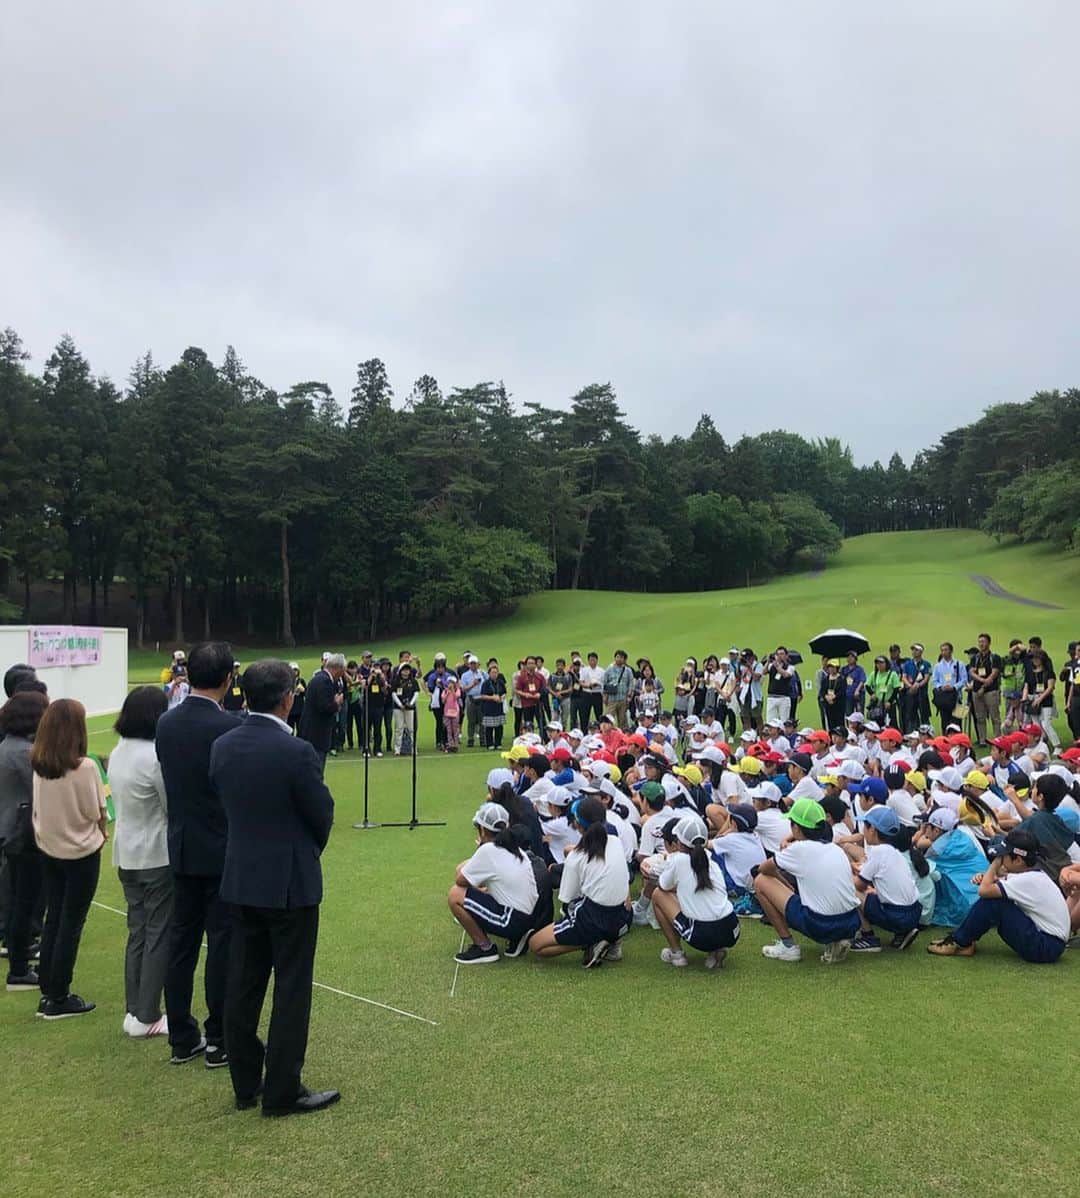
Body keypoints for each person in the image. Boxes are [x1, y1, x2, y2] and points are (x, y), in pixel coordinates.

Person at [209, 659, 338, 1117]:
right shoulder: (297, 752)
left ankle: (247, 1082)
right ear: (288, 698)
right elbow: (320, 814)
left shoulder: (223, 746)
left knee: (243, 982)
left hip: (242, 877)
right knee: (291, 986)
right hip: (288, 882)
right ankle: (282, 1089)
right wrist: (304, 853)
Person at [155, 641, 241, 1067]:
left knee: (182, 940)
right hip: (220, 846)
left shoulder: (167, 724)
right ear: (228, 679)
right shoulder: (227, 728)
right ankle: (218, 1036)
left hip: (183, 843)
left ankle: (182, 1036)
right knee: (220, 942)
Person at [31, 698, 107, 1019]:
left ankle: (48, 985)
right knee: (70, 922)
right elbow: (96, 811)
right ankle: (59, 995)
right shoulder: (84, 766)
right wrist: (101, 833)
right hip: (80, 852)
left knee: (55, 917)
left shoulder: (39, 762)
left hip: (50, 848)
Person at [108, 686, 173, 1037]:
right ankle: (146, 1013)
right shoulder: (153, 757)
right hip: (154, 853)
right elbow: (169, 805)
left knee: (138, 931)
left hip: (128, 852)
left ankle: (135, 1007)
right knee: (157, 932)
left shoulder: (119, 751)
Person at [927, 830, 1070, 962]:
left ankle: (961, 943)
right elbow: (1002, 884)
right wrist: (989, 878)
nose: (1001, 859)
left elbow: (984, 891)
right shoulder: (1033, 877)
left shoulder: (1028, 880)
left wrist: (995, 864)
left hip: (1046, 947)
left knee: (994, 903)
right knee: (996, 899)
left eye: (1004, 856)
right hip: (1051, 944)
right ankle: (962, 939)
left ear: (1018, 860)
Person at [753, 797, 863, 965]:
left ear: (796, 828)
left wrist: (784, 882)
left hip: (820, 924)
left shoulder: (799, 849)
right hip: (851, 922)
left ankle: (788, 946)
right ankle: (836, 940)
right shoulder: (835, 849)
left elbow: (764, 869)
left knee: (760, 881)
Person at [530, 796, 632, 968]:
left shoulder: (576, 858)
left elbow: (568, 898)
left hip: (594, 919)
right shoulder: (615, 842)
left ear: (577, 823)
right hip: (624, 919)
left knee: (536, 945)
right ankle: (609, 940)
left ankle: (594, 941)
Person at [448, 802, 540, 963]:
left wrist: (480, 849)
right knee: (480, 889)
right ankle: (517, 936)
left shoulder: (488, 850)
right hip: (529, 914)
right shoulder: (515, 848)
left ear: (482, 830)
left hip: (513, 919)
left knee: (455, 895)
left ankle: (485, 948)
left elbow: (460, 879)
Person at [0, 690, 48, 992]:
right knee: (23, 903)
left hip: (12, 832)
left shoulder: (9, 747)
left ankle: (20, 958)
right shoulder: (23, 754)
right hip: (22, 836)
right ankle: (19, 968)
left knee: (19, 901)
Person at [652, 814, 740, 969]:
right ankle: (716, 950)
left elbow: (662, 886)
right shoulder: (710, 859)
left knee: (658, 895)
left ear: (678, 843)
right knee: (706, 905)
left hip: (703, 933)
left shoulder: (679, 860)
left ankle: (677, 954)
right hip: (731, 927)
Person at [850, 806, 923, 952]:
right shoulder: (896, 852)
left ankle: (868, 937)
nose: (863, 830)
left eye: (865, 825)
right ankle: (902, 934)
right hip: (914, 913)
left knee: (849, 889)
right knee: (870, 892)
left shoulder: (878, 851)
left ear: (873, 830)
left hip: (897, 915)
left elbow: (859, 885)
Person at [299, 653, 345, 773]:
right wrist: (337, 703)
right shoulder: (324, 681)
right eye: (343, 670)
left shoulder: (319, 678)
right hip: (316, 735)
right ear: (338, 668)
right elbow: (324, 706)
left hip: (312, 733)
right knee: (315, 771)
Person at [1021, 647, 1060, 751]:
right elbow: (1026, 686)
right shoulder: (1030, 673)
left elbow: (1050, 687)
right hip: (1033, 699)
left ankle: (1057, 746)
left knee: (1046, 724)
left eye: (1037, 658)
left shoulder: (1049, 672)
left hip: (1046, 700)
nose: (1035, 660)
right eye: (1033, 658)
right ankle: (1041, 745)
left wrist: (1040, 699)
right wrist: (1024, 699)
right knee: (1037, 726)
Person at [966, 633, 1002, 743]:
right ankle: (982, 739)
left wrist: (984, 685)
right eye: (980, 642)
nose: (981, 644)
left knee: (994, 716)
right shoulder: (976, 658)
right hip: (976, 690)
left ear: (989, 643)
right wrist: (981, 680)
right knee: (979, 717)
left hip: (991, 690)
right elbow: (972, 672)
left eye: (983, 641)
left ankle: (997, 739)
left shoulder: (994, 657)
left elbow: (994, 673)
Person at [931, 643, 967, 733]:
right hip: (944, 698)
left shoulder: (959, 664)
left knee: (957, 722)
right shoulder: (937, 666)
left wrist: (954, 687)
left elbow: (964, 679)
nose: (943, 652)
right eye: (942, 650)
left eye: (946, 650)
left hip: (957, 697)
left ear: (951, 651)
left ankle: (958, 741)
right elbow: (934, 681)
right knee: (945, 722)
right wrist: (941, 687)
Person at [900, 643, 931, 731]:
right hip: (910, 693)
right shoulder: (907, 664)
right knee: (911, 715)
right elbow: (904, 677)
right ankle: (913, 733)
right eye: (913, 650)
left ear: (921, 652)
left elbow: (926, 678)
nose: (914, 652)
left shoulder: (926, 664)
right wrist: (910, 686)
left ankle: (927, 734)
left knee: (924, 715)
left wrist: (917, 686)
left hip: (922, 693)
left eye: (916, 650)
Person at [391, 662, 420, 756]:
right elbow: (393, 693)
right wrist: (400, 704)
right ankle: (397, 749)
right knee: (399, 729)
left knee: (411, 729)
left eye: (407, 670)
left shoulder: (413, 681)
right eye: (404, 670)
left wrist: (410, 704)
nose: (406, 672)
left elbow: (416, 693)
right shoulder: (396, 681)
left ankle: (413, 749)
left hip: (410, 708)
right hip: (398, 708)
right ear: (400, 671)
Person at [478, 662, 508, 750]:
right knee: (489, 727)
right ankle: (490, 743)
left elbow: (504, 692)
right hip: (489, 708)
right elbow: (483, 695)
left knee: (499, 727)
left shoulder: (500, 682)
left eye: (496, 672)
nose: (494, 674)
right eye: (492, 673)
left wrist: (502, 697)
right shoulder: (486, 683)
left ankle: (498, 743)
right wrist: (492, 697)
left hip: (499, 708)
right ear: (489, 674)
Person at [602, 649, 634, 730]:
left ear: (624, 659)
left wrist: (629, 696)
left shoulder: (628, 670)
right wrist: (605, 696)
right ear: (615, 658)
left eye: (621, 657)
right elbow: (604, 683)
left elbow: (630, 683)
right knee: (608, 719)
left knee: (623, 721)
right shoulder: (609, 669)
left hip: (623, 699)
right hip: (611, 699)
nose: (619, 659)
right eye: (617, 657)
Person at [764, 647, 796, 728]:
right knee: (770, 722)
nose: (779, 656)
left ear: (786, 655)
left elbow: (786, 675)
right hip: (771, 697)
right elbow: (763, 672)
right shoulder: (771, 665)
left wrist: (777, 666)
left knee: (784, 722)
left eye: (782, 654)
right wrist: (768, 662)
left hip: (784, 698)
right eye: (778, 654)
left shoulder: (790, 667)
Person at [442, 678, 463, 753]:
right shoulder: (445, 691)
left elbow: (456, 697)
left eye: (452, 682)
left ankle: (456, 745)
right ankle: (451, 744)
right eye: (449, 682)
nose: (450, 684)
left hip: (455, 712)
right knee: (449, 729)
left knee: (455, 729)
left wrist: (452, 690)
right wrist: (447, 692)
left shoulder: (457, 690)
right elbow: (443, 701)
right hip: (447, 712)